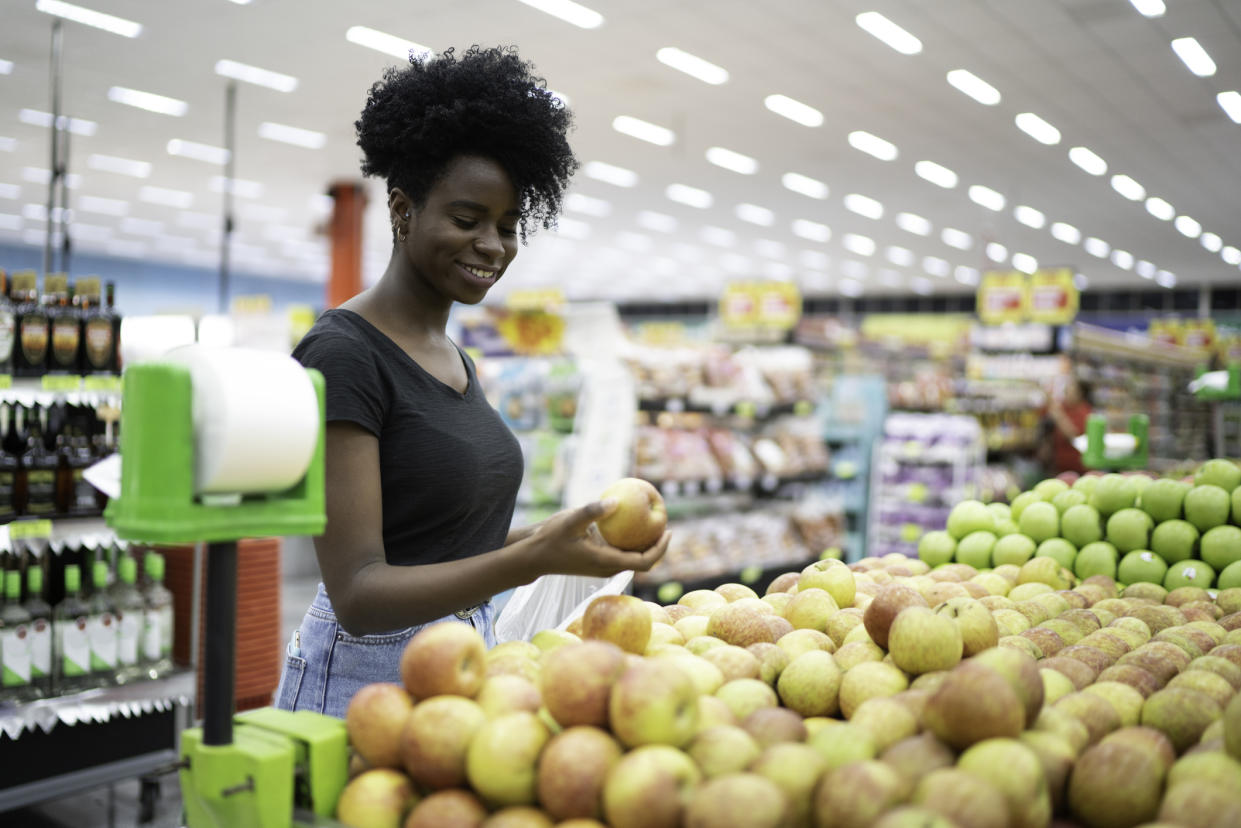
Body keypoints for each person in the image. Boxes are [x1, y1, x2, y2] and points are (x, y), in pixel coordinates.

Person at [275, 46, 670, 718]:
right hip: (363, 685)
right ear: (402, 209)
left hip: (460, 662)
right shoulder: (344, 353)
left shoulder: (454, 358)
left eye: (508, 227)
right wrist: (530, 559)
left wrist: (562, 543)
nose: (492, 245)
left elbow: (448, 546)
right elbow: (359, 592)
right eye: (466, 220)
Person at [1042, 373, 1093, 478]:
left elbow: (1073, 435)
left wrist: (1058, 415)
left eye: (1071, 387)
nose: (1066, 390)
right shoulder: (1063, 406)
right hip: (1059, 466)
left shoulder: (1085, 412)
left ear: (1080, 393)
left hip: (1078, 469)